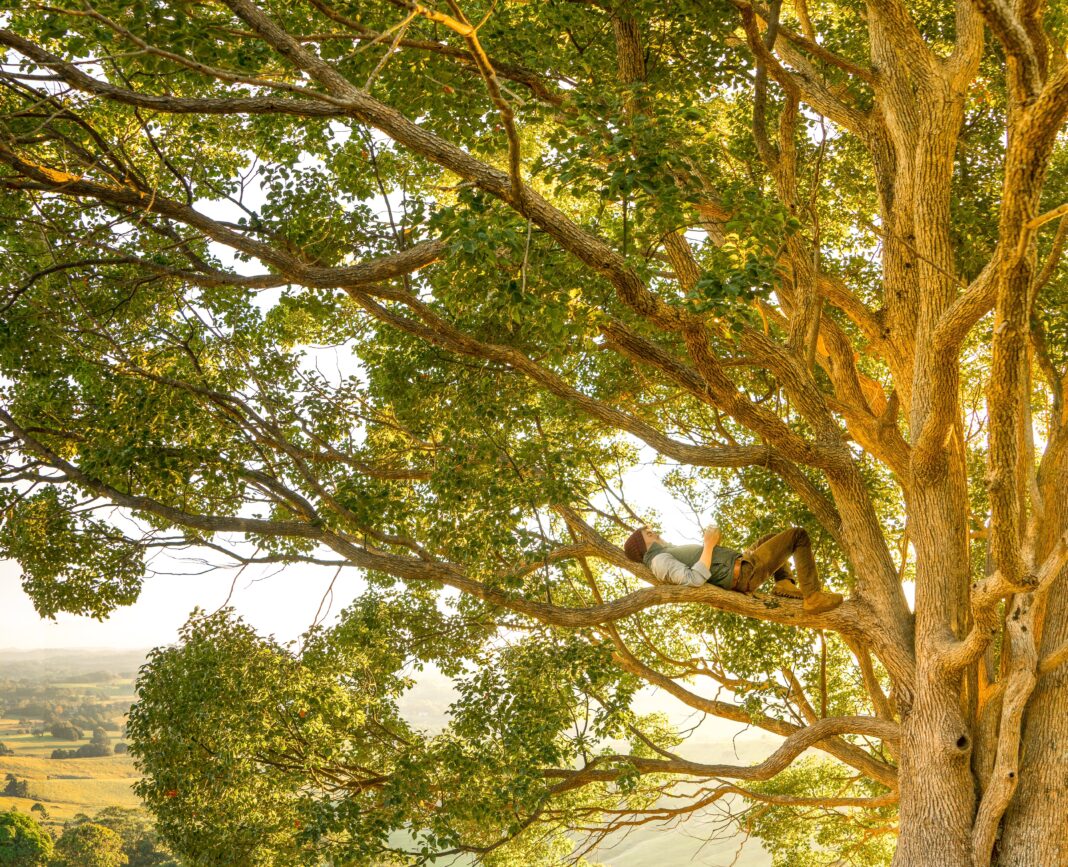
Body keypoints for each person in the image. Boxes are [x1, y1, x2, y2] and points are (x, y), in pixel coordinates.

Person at [622, 524, 844, 615]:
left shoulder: (665, 553)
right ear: (644, 546)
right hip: (743, 574)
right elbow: (693, 579)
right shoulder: (659, 561)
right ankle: (813, 597)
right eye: (649, 534)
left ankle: (784, 583)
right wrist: (709, 544)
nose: (655, 533)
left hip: (742, 565)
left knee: (770, 538)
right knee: (798, 535)